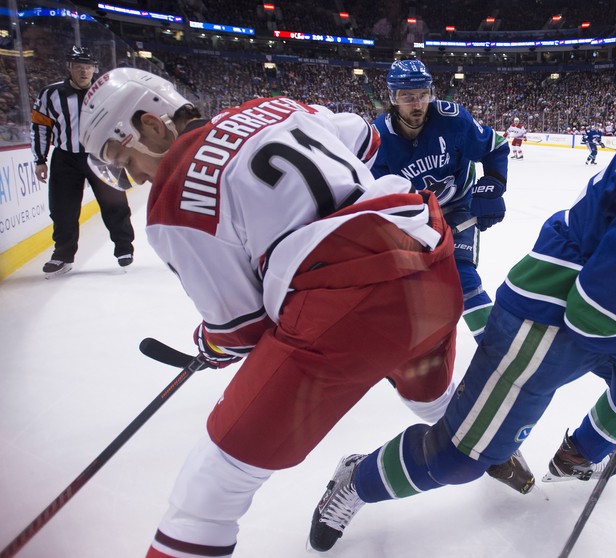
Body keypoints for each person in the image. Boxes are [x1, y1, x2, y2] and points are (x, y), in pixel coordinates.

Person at [308, 52, 616, 552]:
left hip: (599, 297)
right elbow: (594, 316)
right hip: (545, 322)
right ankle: (358, 479)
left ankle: (580, 454)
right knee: (459, 460)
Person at [79, 67, 465, 558]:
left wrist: (209, 344)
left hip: (346, 313)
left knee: (212, 486)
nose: (132, 175)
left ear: (153, 123)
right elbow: (366, 139)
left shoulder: (173, 199)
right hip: (428, 261)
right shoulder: (273, 106)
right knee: (433, 396)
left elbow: (241, 329)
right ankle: (479, 444)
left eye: (122, 156)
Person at [368, 60, 532, 494]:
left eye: (422, 93)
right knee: (411, 303)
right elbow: (361, 197)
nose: (416, 103)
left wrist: (492, 184)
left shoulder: (454, 120)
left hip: (456, 212)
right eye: (407, 95)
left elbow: (496, 148)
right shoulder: (375, 140)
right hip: (409, 222)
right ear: (392, 96)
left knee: (463, 280)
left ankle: (501, 353)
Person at [31, 46, 135, 277]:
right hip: (65, 158)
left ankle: (124, 248)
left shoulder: (109, 91)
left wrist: (124, 151)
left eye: (88, 66)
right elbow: (40, 127)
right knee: (62, 209)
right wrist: (40, 159)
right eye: (78, 66)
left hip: (102, 154)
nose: (84, 71)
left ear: (94, 68)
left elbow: (124, 122)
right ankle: (63, 255)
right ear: (69, 68)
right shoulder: (50, 94)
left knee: (115, 204)